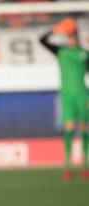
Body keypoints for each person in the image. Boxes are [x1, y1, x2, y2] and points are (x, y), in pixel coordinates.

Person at [40, 18, 89, 181]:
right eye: (69, 35)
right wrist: (56, 29)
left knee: (83, 128)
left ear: (77, 37)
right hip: (67, 95)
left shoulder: (84, 54)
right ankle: (67, 166)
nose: (71, 38)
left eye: (73, 35)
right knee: (68, 128)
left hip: (83, 94)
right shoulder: (61, 51)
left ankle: (85, 166)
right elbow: (42, 40)